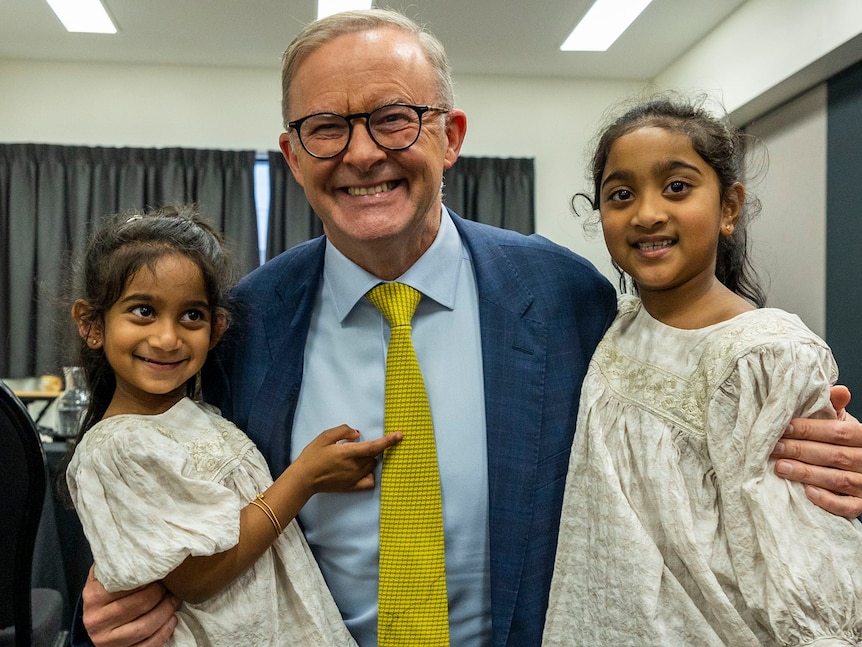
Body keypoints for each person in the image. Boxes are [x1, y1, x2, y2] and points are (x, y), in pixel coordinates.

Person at [73, 10, 862, 647]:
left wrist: (795, 447)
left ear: (450, 136)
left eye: (393, 118)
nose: (361, 153)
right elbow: (148, 468)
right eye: (325, 128)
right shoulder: (245, 322)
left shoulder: (565, 298)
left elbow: (671, 418)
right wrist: (109, 597)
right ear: (291, 155)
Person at [542, 96, 862, 646]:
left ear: (729, 207)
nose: (647, 213)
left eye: (677, 187)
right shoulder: (615, 329)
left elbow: (803, 552)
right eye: (622, 194)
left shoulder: (764, 354)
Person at [65, 204, 399, 646]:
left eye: (191, 316)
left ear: (216, 329)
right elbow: (198, 576)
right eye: (143, 311)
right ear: (92, 324)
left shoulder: (195, 413)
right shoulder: (119, 447)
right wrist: (303, 480)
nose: (167, 338)